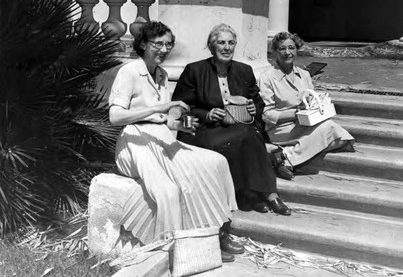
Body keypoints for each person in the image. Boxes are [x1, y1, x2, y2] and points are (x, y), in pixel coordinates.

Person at [109, 21, 243, 262]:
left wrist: (180, 125)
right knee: (169, 192)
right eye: (157, 44)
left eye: (168, 44)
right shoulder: (129, 72)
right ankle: (173, 252)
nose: (163, 49)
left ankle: (215, 233)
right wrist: (162, 107)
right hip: (134, 142)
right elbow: (115, 116)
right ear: (143, 44)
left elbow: (162, 119)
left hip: (158, 138)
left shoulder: (161, 74)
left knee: (216, 162)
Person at [172, 23, 291, 216]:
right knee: (233, 141)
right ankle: (248, 196)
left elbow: (258, 103)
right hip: (204, 129)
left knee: (250, 136)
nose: (227, 48)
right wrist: (206, 114)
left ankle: (269, 194)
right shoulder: (194, 70)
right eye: (221, 43)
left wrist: (254, 109)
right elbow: (180, 107)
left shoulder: (244, 70)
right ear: (212, 46)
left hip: (238, 125)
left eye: (231, 43)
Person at [258, 31, 355, 176]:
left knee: (345, 140)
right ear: (275, 52)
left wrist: (315, 105)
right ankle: (288, 160)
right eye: (282, 49)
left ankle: (285, 153)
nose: (287, 52)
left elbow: (310, 99)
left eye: (291, 48)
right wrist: (295, 114)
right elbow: (267, 114)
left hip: (306, 123)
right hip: (282, 128)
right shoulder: (267, 78)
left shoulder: (304, 75)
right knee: (330, 130)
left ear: (297, 50)